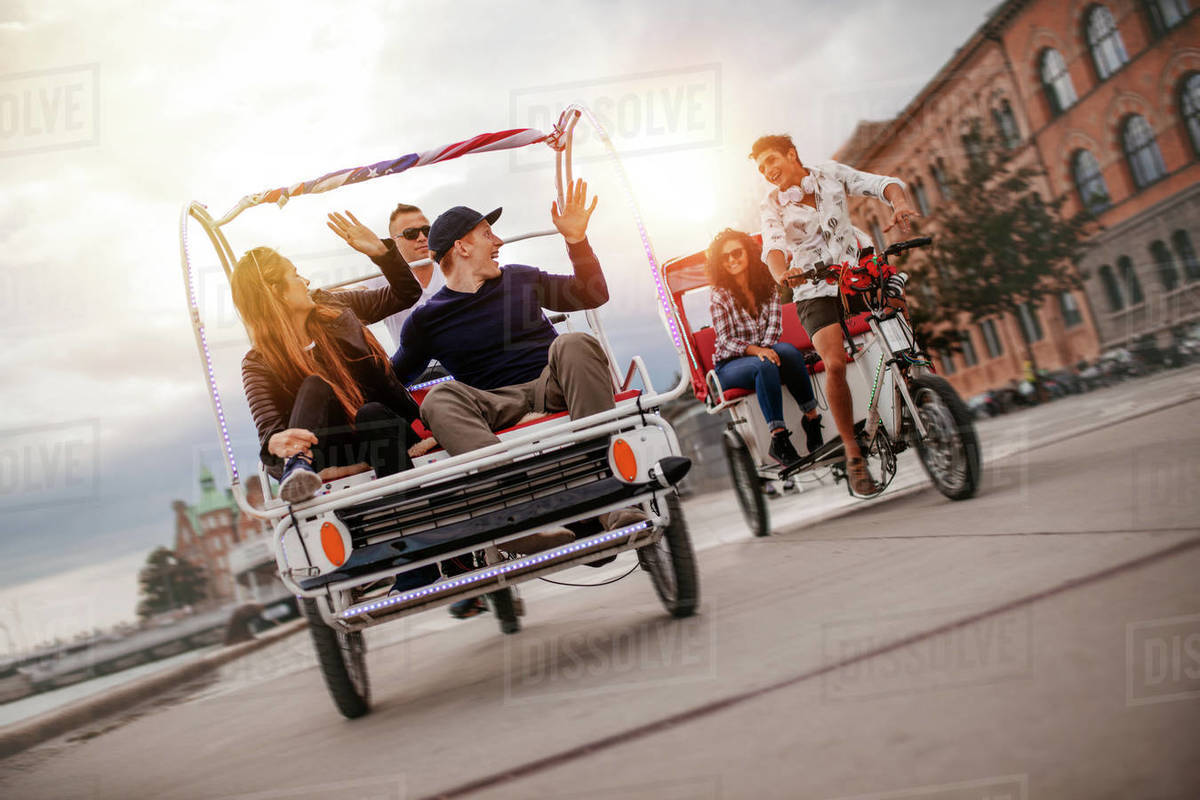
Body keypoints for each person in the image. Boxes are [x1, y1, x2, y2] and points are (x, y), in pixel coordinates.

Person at [393, 178, 644, 548]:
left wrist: (577, 241)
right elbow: (392, 379)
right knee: (437, 398)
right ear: (462, 247)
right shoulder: (426, 319)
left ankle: (609, 496)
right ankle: (518, 516)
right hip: (492, 403)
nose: (498, 243)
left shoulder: (520, 278)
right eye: (487, 234)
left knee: (574, 342)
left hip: (551, 383)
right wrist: (419, 433)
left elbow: (593, 294)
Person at [752, 133, 919, 494]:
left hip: (854, 271)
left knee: (897, 304)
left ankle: (913, 385)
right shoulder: (771, 204)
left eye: (771, 161)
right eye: (762, 168)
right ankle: (854, 455)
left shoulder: (829, 174)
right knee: (836, 362)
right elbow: (773, 244)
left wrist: (899, 203)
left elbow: (878, 184)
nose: (767, 171)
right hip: (812, 286)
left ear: (792, 154)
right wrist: (782, 273)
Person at [233, 219, 422, 504]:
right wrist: (278, 447)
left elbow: (405, 294)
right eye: (295, 275)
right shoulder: (259, 364)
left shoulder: (334, 308)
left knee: (370, 413)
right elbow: (271, 436)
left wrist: (382, 255)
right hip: (332, 451)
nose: (306, 282)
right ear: (276, 291)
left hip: (386, 428)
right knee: (315, 386)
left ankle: (409, 515)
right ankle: (297, 467)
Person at [706, 228, 823, 467]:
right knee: (764, 363)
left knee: (789, 352)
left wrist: (766, 350)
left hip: (764, 354)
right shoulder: (719, 296)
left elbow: (774, 327)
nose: (731, 260)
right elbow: (726, 340)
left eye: (736, 253)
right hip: (730, 364)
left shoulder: (767, 286)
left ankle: (811, 419)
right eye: (725, 257)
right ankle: (778, 439)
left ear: (748, 253)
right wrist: (759, 351)